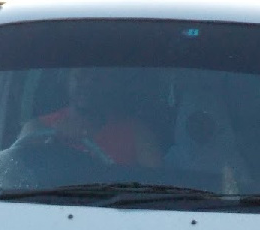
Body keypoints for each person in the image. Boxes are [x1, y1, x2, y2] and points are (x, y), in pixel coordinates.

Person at [21, 67, 161, 166]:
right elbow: (17, 174)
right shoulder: (37, 130)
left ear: (111, 85)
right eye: (80, 77)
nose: (88, 84)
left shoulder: (138, 135)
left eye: (97, 79)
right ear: (67, 80)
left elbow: (156, 187)